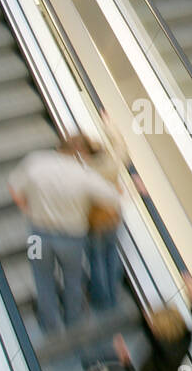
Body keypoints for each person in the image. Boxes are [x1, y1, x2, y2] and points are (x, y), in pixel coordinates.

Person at [8, 141, 120, 334]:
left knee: (42, 277)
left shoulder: (35, 161)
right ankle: (73, 318)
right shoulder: (84, 175)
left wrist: (28, 210)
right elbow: (114, 199)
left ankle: (49, 323)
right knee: (72, 278)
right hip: (71, 238)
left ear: (61, 149)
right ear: (82, 154)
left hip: (38, 234)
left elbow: (14, 188)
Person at [61, 123, 127, 311]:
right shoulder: (108, 162)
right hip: (113, 217)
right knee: (112, 255)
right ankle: (114, 296)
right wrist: (110, 127)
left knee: (96, 259)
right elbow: (121, 148)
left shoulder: (83, 173)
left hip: (94, 222)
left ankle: (102, 299)